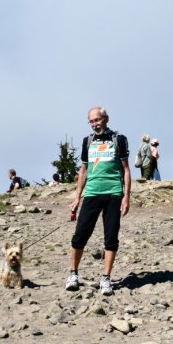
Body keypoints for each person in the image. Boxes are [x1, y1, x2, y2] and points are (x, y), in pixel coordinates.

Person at [66, 107, 131, 296]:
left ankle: (106, 278)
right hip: (92, 194)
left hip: (113, 193)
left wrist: (127, 196)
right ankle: (73, 274)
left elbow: (126, 170)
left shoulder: (119, 139)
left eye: (97, 120)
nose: (95, 124)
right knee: (79, 236)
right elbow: (83, 170)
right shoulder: (88, 141)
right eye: (91, 121)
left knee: (111, 237)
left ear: (106, 119)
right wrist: (77, 198)